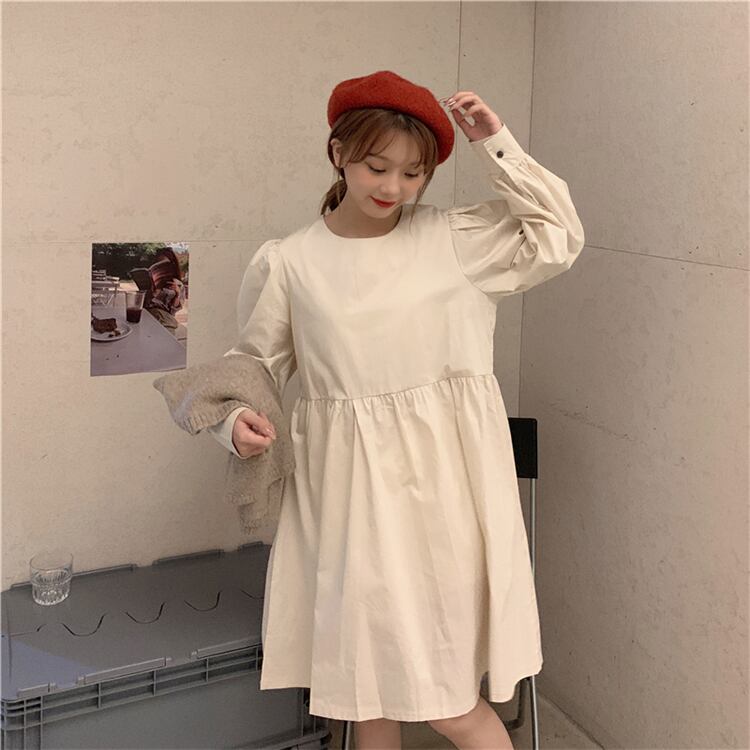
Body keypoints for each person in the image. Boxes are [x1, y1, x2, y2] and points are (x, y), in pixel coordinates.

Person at [207, 70, 585, 749]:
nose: (394, 187)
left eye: (414, 174)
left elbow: (558, 233)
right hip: (346, 501)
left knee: (449, 702)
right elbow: (252, 367)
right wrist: (234, 424)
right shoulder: (291, 262)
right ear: (339, 154)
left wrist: (495, 142)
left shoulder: (456, 238)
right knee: (366, 696)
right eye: (378, 167)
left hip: (444, 499)